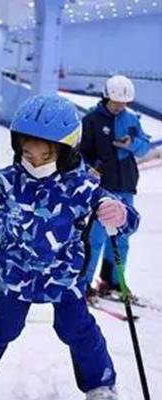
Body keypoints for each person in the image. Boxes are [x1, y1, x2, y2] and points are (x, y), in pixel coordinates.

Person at [0, 95, 139, 400]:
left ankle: (100, 384)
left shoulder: (81, 186)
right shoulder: (9, 181)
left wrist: (118, 212)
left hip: (64, 277)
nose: (34, 162)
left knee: (78, 329)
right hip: (17, 275)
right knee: (1, 325)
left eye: (45, 155)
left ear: (65, 152)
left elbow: (127, 220)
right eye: (27, 153)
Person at [80, 75, 151, 299]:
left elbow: (144, 147)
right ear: (106, 97)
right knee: (96, 237)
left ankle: (112, 281)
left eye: (124, 103)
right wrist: (90, 168)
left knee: (122, 237)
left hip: (126, 186)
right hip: (102, 188)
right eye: (116, 102)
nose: (120, 107)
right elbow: (80, 153)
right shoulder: (91, 120)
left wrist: (133, 145)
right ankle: (84, 284)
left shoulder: (131, 119)